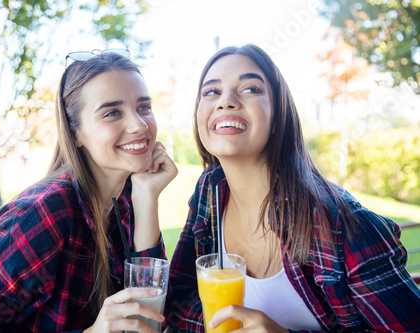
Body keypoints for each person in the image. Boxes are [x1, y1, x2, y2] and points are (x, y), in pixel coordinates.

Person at [168, 44, 420, 332]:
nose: (225, 101)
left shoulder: (343, 226)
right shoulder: (210, 192)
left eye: (250, 89)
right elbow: (179, 298)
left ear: (278, 117)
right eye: (211, 91)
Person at [0, 50, 178, 332]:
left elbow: (151, 314)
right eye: (111, 113)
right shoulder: (43, 215)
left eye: (143, 107)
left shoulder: (124, 199)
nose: (139, 124)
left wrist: (147, 198)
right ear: (75, 134)